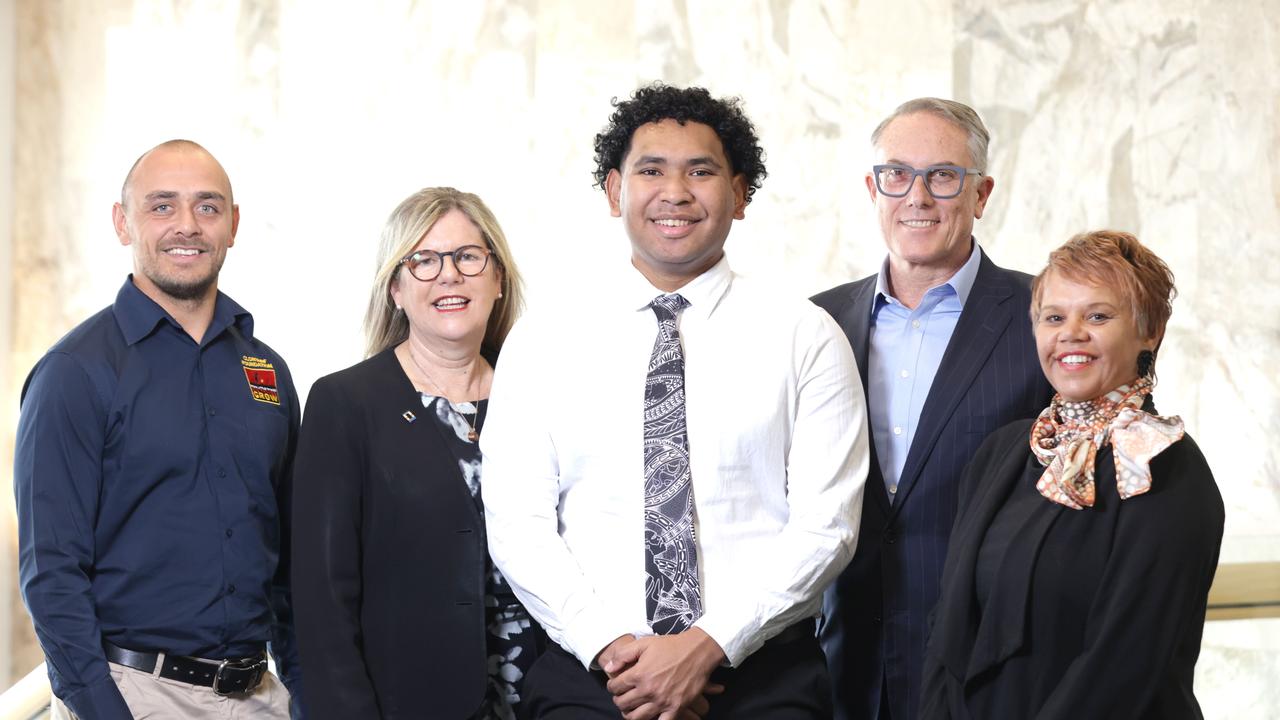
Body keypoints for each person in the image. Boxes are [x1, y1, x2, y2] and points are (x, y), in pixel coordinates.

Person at [481, 82, 870, 720]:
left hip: (762, 678)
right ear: (614, 191)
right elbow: (519, 526)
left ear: (740, 195)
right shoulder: (544, 342)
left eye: (702, 171)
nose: (676, 192)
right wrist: (616, 653)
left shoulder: (806, 337)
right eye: (651, 170)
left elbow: (827, 526)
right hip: (593, 678)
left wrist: (705, 646)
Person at [14, 139, 301, 719]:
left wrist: (307, 693)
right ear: (123, 222)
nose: (187, 226)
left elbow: (290, 564)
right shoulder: (74, 373)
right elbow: (51, 574)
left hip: (261, 698)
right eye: (162, 206)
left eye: (208, 206)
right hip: (137, 696)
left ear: (234, 224)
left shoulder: (266, 371)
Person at [812, 98, 1054, 720]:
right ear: (873, 187)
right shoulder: (817, 324)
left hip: (993, 670)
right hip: (846, 671)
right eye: (897, 174)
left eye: (943, 175)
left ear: (982, 194)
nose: (917, 196)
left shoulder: (1048, 319)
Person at [919, 230, 1224, 719]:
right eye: (1053, 317)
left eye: (1098, 315)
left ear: (1150, 331)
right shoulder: (1003, 452)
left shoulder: (1165, 469)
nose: (1071, 333)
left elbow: (1123, 668)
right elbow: (947, 629)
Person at [291, 187, 539, 719]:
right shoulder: (346, 403)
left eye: (469, 257)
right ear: (396, 289)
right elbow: (321, 603)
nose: (448, 274)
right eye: (423, 261)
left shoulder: (542, 397)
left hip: (547, 697)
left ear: (498, 279)